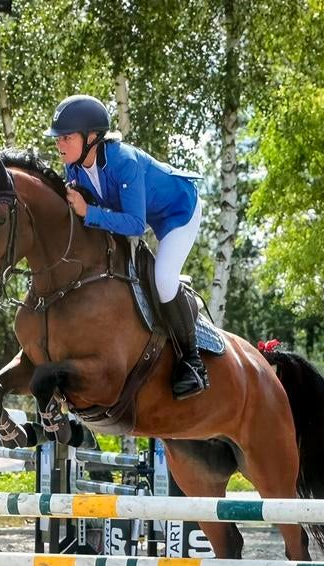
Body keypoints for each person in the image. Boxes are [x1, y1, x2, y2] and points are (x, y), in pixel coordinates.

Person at [45, 94, 208, 400]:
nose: (59, 145)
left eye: (66, 137)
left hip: (178, 211)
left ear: (91, 137)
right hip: (141, 212)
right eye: (59, 138)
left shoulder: (124, 162)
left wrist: (88, 212)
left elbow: (135, 224)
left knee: (163, 279)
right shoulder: (74, 168)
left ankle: (192, 362)